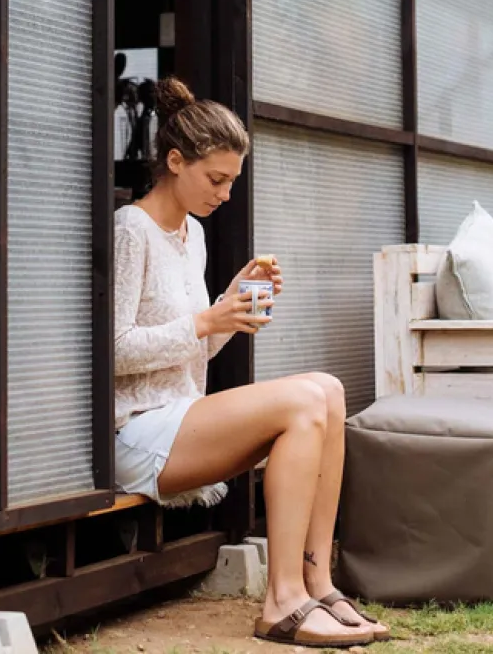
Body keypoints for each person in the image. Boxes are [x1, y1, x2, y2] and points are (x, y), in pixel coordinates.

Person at [113, 76, 390, 648]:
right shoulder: (131, 231)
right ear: (174, 161)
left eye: (232, 181)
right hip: (136, 432)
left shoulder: (193, 233)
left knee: (329, 390)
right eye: (216, 179)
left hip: (182, 417)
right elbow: (110, 354)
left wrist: (228, 310)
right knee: (304, 398)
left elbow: (192, 349)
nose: (225, 194)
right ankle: (282, 600)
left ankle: (316, 580)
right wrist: (205, 322)